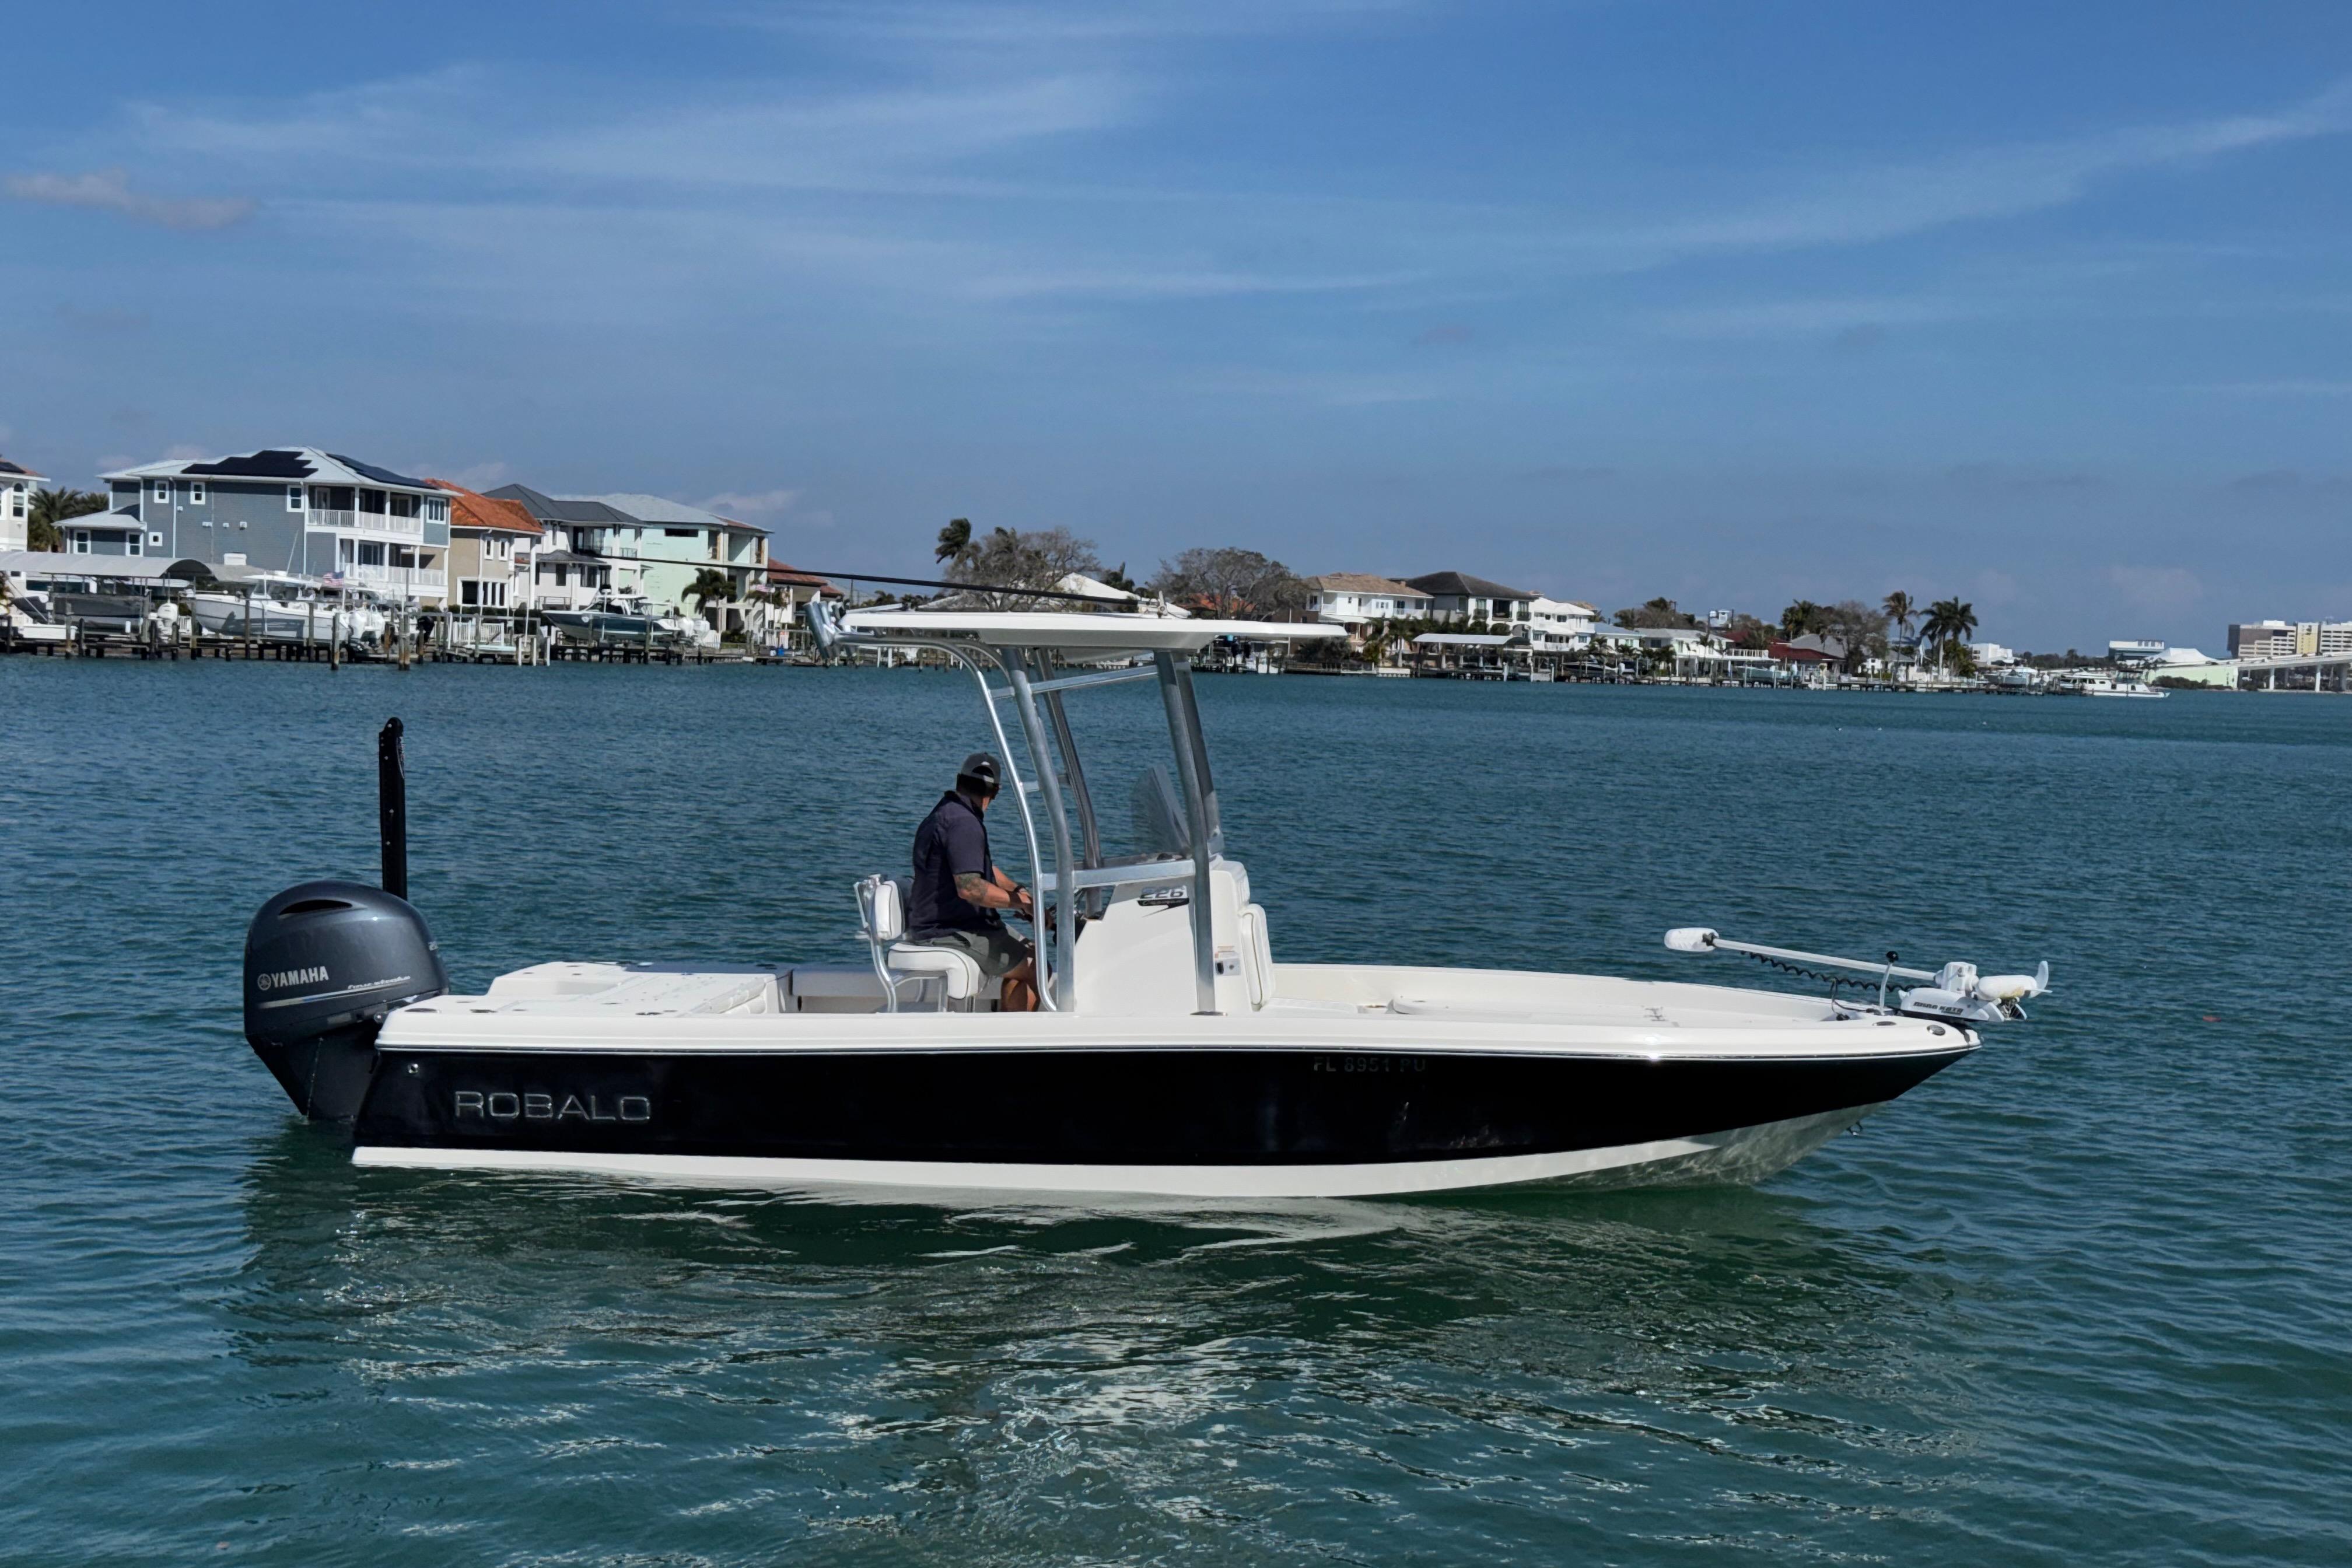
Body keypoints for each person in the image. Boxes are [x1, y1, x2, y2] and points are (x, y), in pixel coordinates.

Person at [907, 752, 1038, 1012]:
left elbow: (983, 868)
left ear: (959, 781)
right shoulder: (963, 823)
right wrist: (1021, 905)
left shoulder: (947, 813)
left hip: (948, 924)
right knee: (1035, 966)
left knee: (1033, 952)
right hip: (948, 931)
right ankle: (1013, 1042)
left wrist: (1018, 891)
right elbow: (970, 887)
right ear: (996, 792)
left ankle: (1009, 1029)